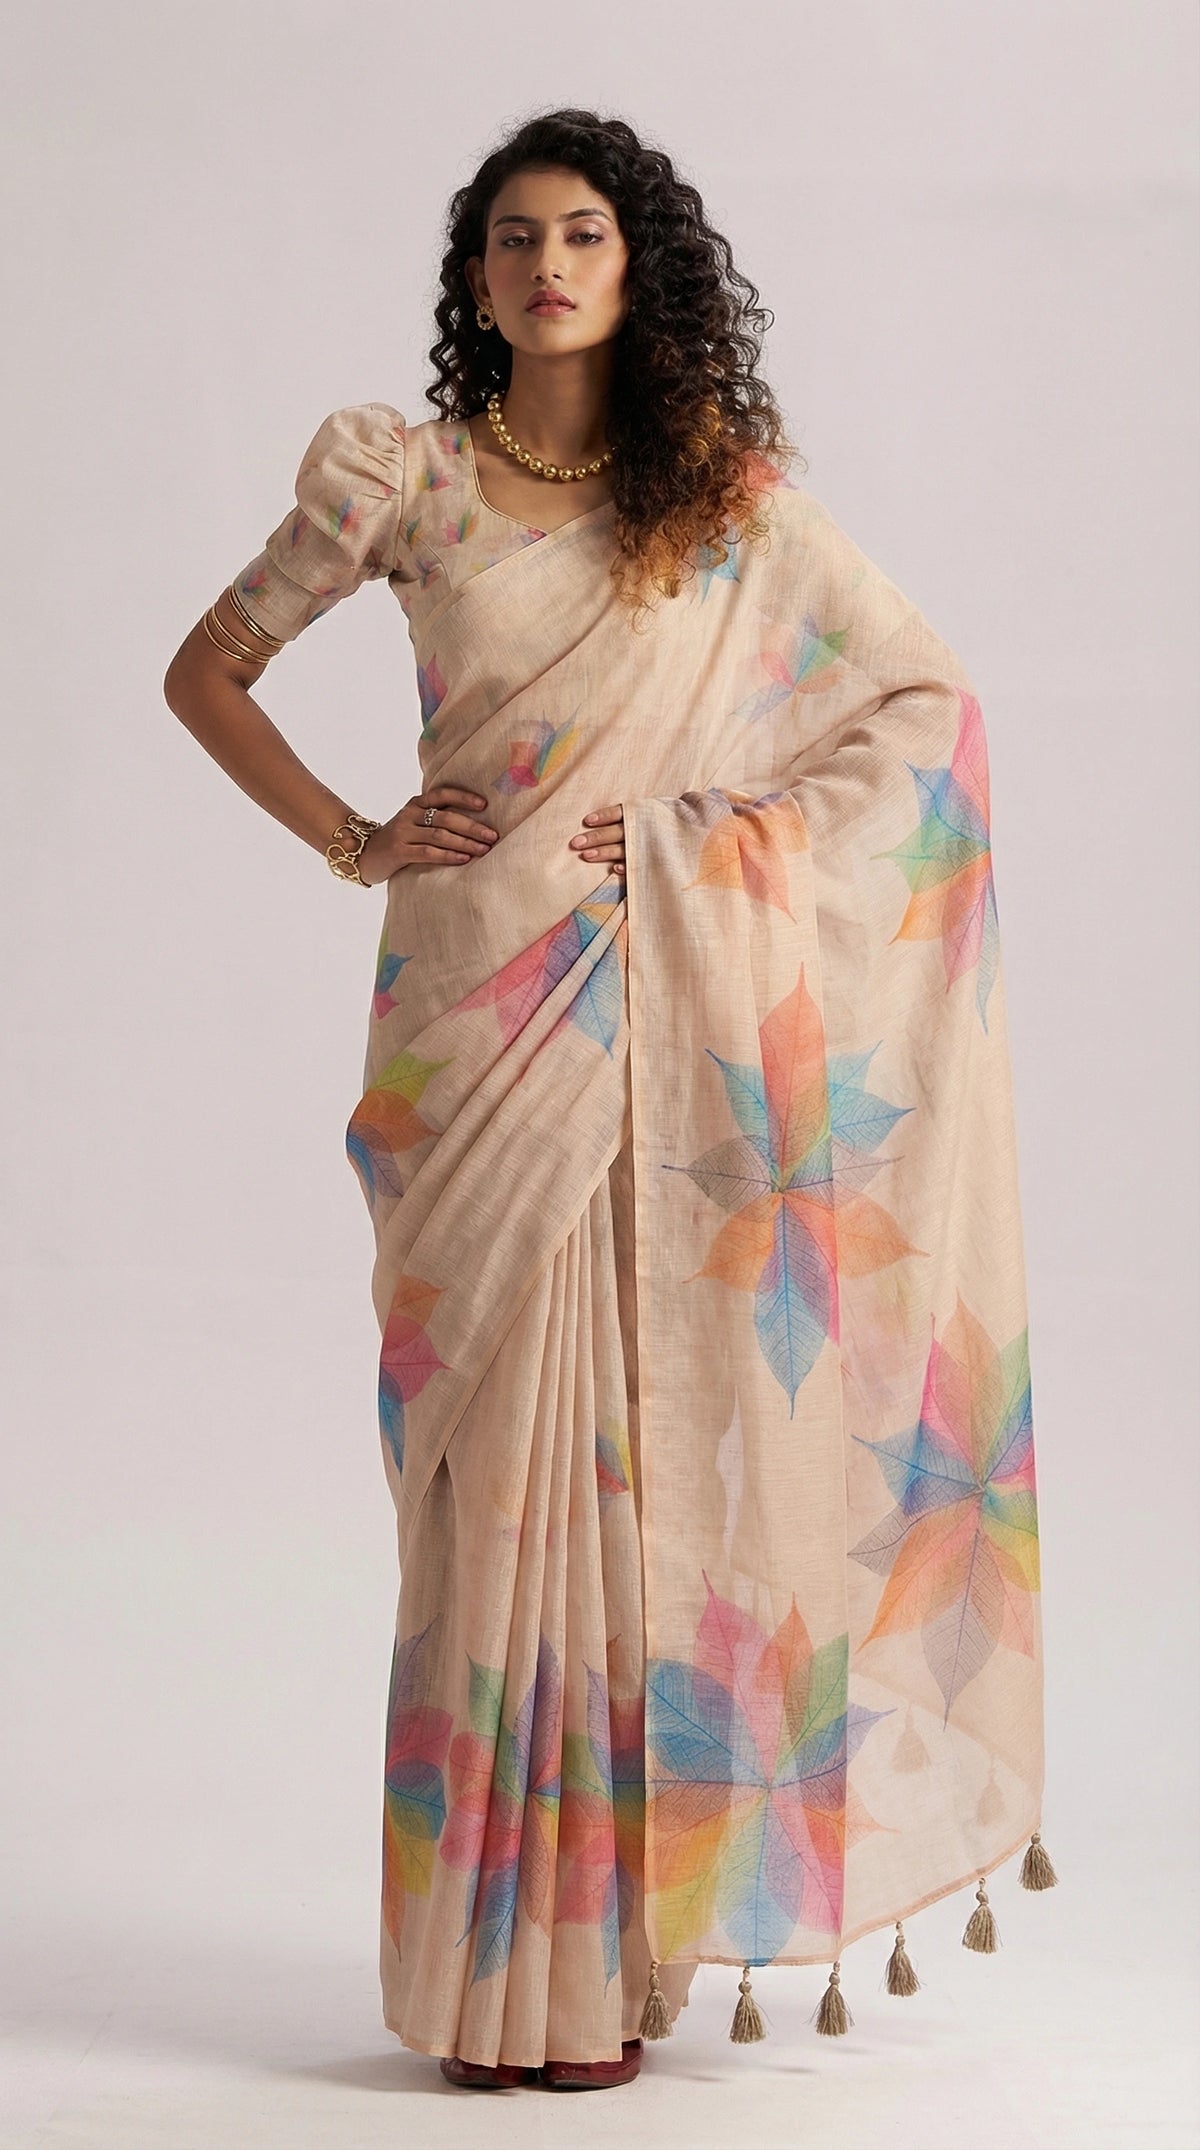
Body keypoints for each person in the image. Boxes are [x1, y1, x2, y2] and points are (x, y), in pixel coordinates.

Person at [163, 107, 1056, 2095]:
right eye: (510, 237)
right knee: (478, 1497)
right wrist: (356, 832)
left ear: (640, 267)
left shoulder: (715, 502)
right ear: (473, 279)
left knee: (619, 1472)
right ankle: (474, 1970)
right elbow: (207, 668)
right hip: (461, 1028)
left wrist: (703, 845)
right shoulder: (398, 482)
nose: (546, 262)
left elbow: (926, 708)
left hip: (634, 1009)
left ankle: (596, 1972)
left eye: (582, 232)